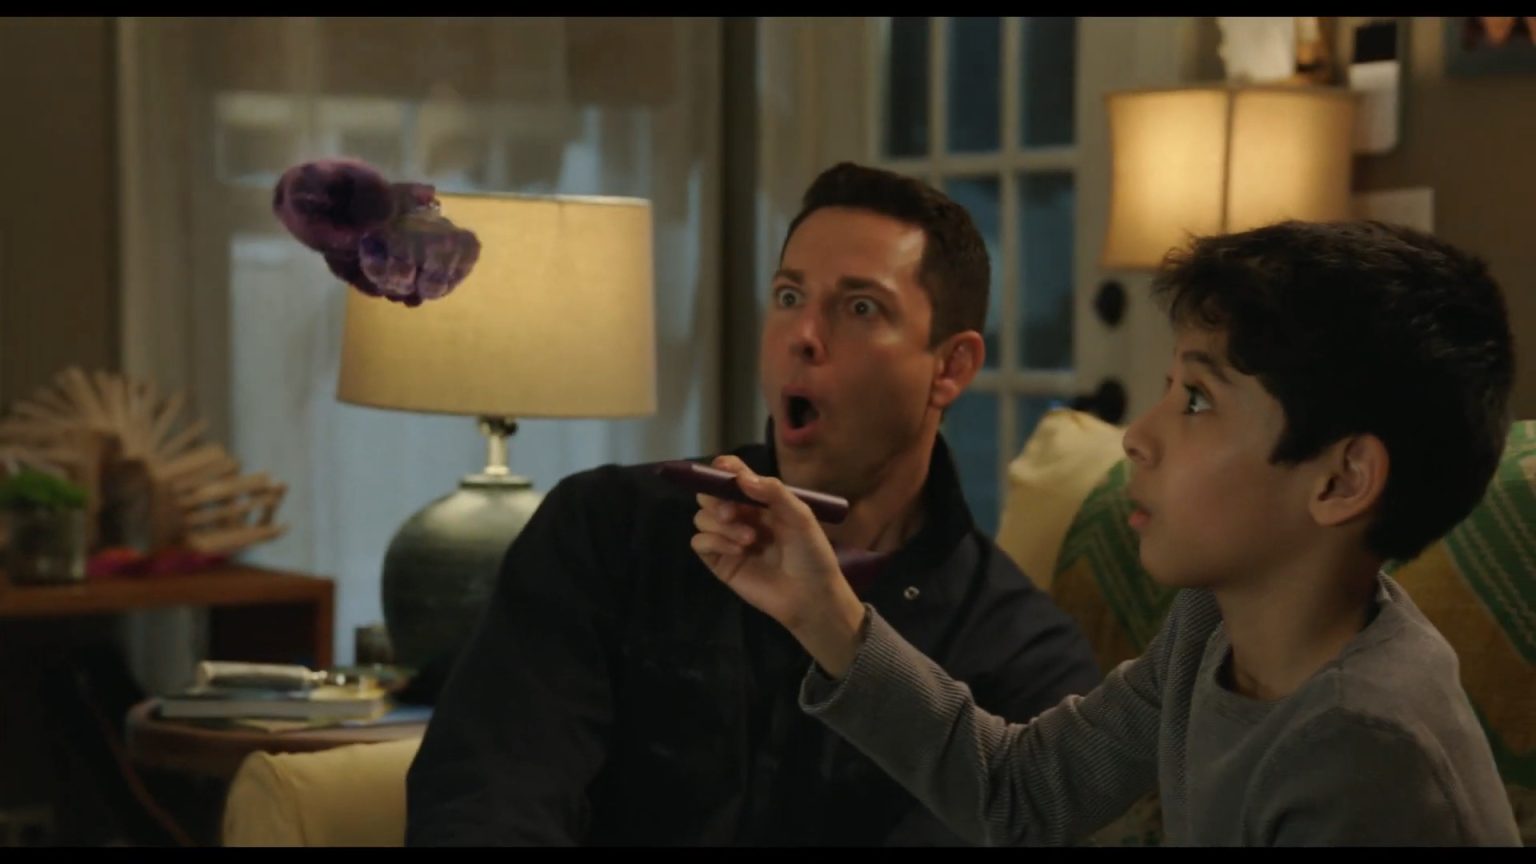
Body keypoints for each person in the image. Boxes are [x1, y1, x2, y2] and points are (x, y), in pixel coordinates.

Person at [691, 219, 1524, 846]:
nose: (1138, 435)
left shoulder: (1366, 747)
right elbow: (1020, 790)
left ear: (1340, 480)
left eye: (1196, 399)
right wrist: (823, 611)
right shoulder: (1210, 628)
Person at [405, 162, 1102, 846]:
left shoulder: (1020, 656)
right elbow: (485, 793)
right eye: (789, 295)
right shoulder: (609, 527)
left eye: (861, 308)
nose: (804, 335)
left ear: (950, 368)